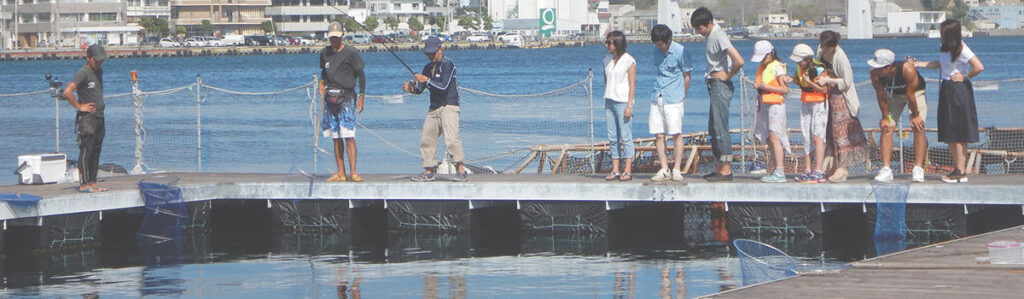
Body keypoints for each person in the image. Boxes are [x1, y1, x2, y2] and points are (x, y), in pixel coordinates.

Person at [912, 19, 984, 183]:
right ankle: (959, 169)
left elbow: (979, 66)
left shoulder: (962, 48)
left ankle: (960, 170)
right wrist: (919, 64)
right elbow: (941, 64)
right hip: (946, 88)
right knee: (950, 131)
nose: (940, 35)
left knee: (958, 131)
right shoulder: (945, 48)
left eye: (942, 33)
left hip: (957, 90)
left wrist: (964, 76)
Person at [403, 36, 469, 182]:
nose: (430, 56)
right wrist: (411, 89)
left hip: (449, 106)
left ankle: (461, 170)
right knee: (427, 139)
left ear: (440, 50)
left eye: (433, 52)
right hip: (434, 108)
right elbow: (420, 89)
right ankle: (429, 171)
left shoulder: (448, 64)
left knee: (451, 139)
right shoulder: (427, 68)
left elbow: (443, 87)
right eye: (428, 53)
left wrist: (426, 80)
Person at [691, 7, 744, 182]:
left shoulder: (719, 35)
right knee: (713, 128)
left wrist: (727, 76)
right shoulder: (710, 36)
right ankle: (718, 167)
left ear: (708, 23)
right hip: (713, 85)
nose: (698, 32)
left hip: (720, 85)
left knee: (720, 128)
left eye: (700, 28)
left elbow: (739, 60)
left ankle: (726, 169)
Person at [815, 30, 871, 183]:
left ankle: (842, 168)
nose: (824, 49)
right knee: (830, 132)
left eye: (827, 47)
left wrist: (829, 80)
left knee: (841, 133)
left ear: (834, 46)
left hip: (842, 99)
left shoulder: (840, 57)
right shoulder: (820, 51)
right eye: (822, 46)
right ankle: (834, 165)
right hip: (827, 97)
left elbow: (847, 82)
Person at [868, 48, 928, 183]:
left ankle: (918, 168)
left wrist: (916, 115)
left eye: (880, 68)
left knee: (918, 126)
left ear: (890, 67)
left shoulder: (908, 69)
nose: (876, 70)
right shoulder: (874, 73)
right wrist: (885, 117)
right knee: (887, 127)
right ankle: (886, 169)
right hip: (894, 95)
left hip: (915, 93)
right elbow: (881, 95)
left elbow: (910, 95)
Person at [319, 21, 366, 182]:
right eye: (332, 37)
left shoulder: (351, 52)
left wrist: (361, 97)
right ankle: (341, 172)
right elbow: (323, 72)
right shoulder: (324, 52)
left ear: (342, 35)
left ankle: (353, 172)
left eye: (337, 37)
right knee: (336, 136)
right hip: (330, 99)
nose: (334, 40)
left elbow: (361, 75)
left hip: (346, 98)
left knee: (349, 136)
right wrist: (321, 83)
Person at [648, 24, 692, 182]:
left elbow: (687, 76)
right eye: (656, 45)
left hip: (674, 98)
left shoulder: (681, 51)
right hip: (657, 96)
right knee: (659, 134)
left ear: (668, 41)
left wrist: (682, 95)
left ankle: (677, 169)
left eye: (661, 45)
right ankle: (664, 168)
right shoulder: (655, 51)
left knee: (676, 133)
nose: (659, 48)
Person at [62, 44, 108, 193]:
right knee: (86, 149)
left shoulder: (99, 71)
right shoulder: (83, 72)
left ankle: (92, 181)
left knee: (96, 149)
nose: (99, 63)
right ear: (88, 58)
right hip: (88, 118)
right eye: (96, 60)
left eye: (101, 60)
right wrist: (79, 106)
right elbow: (67, 91)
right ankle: (84, 183)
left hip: (99, 116)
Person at [750, 40, 790, 183]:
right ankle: (776, 169)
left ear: (769, 54)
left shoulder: (778, 67)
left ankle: (780, 171)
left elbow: (784, 89)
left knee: (775, 137)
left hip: (776, 106)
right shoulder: (764, 67)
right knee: (768, 138)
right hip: (765, 105)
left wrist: (765, 87)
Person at [789, 43, 829, 184]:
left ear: (807, 59)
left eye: (800, 61)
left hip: (819, 104)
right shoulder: (800, 68)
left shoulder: (818, 69)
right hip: (806, 103)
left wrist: (809, 82)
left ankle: (819, 170)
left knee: (818, 136)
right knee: (807, 136)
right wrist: (793, 80)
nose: (798, 64)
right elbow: (801, 83)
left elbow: (824, 90)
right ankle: (807, 169)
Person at [601, 30, 637, 181]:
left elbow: (632, 84)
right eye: (606, 42)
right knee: (612, 137)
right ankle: (615, 169)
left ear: (617, 43)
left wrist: (629, 105)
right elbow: (606, 80)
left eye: (609, 43)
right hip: (609, 100)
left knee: (625, 136)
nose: (607, 45)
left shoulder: (629, 60)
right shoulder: (607, 60)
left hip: (622, 102)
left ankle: (627, 170)